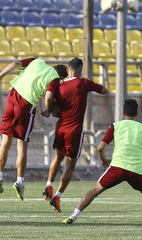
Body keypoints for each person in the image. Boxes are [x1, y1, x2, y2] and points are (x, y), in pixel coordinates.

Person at [62, 99, 142, 226]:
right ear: (136, 112)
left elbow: (100, 147)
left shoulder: (115, 126)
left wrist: (103, 159)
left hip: (117, 168)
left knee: (95, 190)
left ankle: (74, 216)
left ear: (123, 112)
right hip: (136, 170)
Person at [0, 58, 68, 201]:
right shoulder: (54, 79)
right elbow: (48, 97)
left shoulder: (37, 61)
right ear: (60, 77)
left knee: (5, 140)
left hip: (11, 97)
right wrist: (48, 110)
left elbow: (14, 64)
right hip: (26, 105)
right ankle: (20, 181)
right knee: (22, 145)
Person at [41, 58, 108, 213]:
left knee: (57, 158)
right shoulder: (84, 83)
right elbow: (105, 90)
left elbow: (55, 111)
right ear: (80, 70)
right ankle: (57, 196)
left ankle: (48, 185)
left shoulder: (60, 86)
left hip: (60, 128)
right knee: (70, 165)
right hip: (74, 130)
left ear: (69, 70)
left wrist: (50, 110)